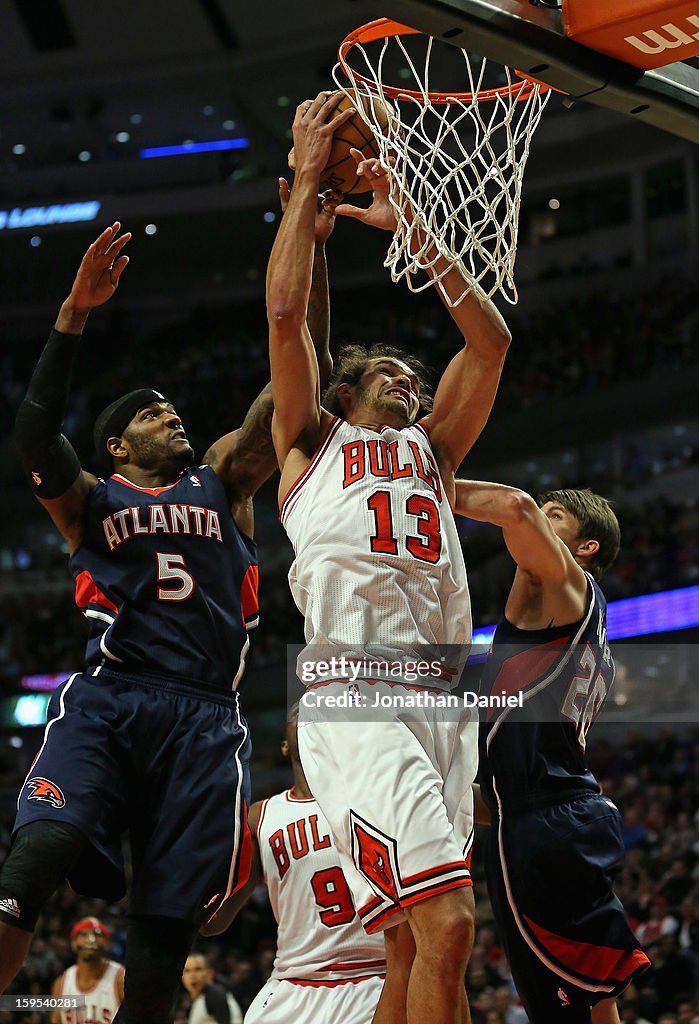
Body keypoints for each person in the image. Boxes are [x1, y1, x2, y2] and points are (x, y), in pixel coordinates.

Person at [0, 206, 335, 1024]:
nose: (171, 415)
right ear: (116, 444)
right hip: (113, 699)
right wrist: (73, 316)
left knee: (162, 937)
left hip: (204, 721)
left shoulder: (223, 479)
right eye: (150, 413)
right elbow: (36, 437)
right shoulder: (91, 501)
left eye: (172, 409)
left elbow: (301, 371)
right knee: (32, 861)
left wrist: (312, 245)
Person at [267, 92, 512, 1024]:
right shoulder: (309, 446)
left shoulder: (434, 453)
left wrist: (412, 219)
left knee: (413, 939)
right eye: (388, 374)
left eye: (414, 375)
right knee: (447, 926)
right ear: (344, 391)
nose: (408, 380)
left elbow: (488, 345)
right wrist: (302, 195)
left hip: (443, 696)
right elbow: (287, 316)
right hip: (355, 689)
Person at [453, 482, 651, 1024]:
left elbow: (513, 509)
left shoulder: (572, 590)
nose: (538, 518)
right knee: (574, 999)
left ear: (584, 547)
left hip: (547, 818)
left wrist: (428, 475)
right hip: (541, 813)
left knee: (577, 999)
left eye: (555, 516)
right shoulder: (554, 617)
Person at [200, 704, 386, 1023]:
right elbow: (214, 921)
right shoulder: (260, 817)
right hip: (292, 982)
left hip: (373, 977)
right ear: (284, 745)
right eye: (296, 712)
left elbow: (480, 802)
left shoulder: (377, 795)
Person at [51, 917, 124, 1024]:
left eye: (97, 934)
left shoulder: (121, 979)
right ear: (74, 943)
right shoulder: (62, 983)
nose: (91, 939)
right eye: (83, 934)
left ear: (107, 944)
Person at [181, 954, 242, 1024]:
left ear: (210, 973)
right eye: (187, 971)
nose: (192, 976)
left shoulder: (215, 995)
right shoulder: (199, 999)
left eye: (198, 969)